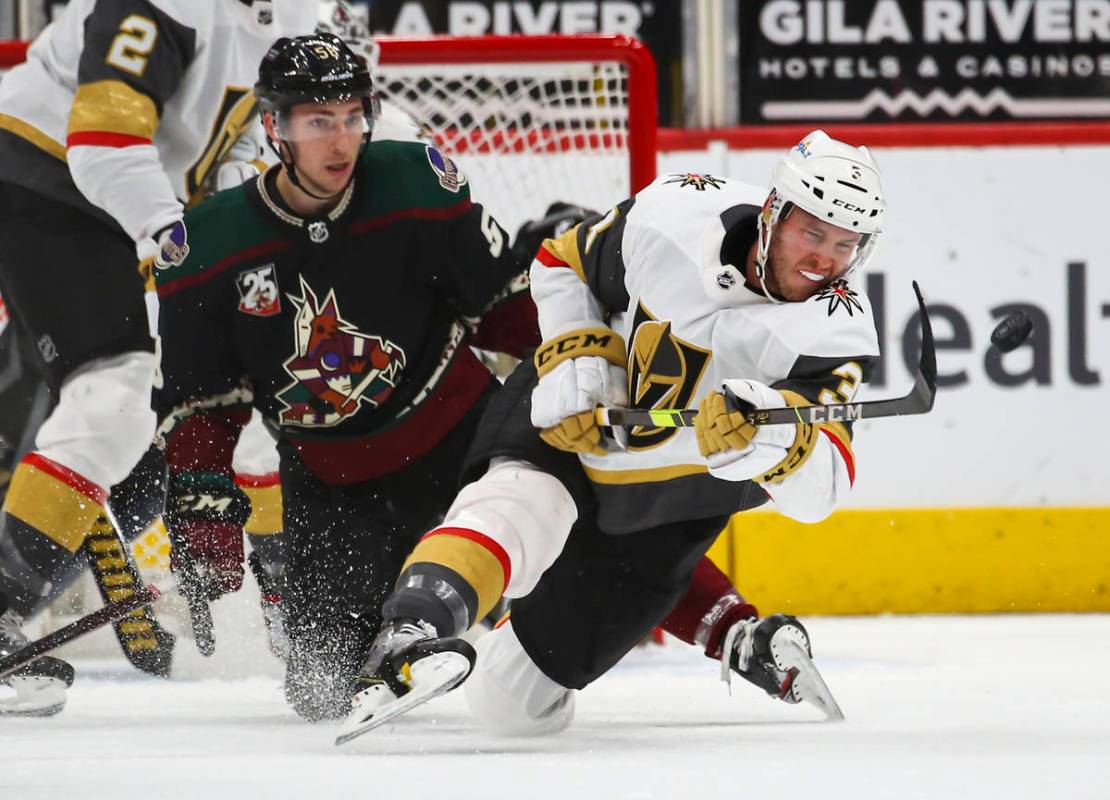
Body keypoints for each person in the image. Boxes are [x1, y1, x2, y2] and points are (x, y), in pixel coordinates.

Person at [352, 130, 885, 735]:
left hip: (673, 495)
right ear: (773, 213)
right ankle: (408, 634)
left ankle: (734, 631)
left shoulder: (835, 333)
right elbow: (560, 261)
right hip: (582, 420)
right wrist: (581, 356)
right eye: (811, 233)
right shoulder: (675, 212)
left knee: (510, 709)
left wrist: (767, 440)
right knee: (519, 505)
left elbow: (826, 488)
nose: (824, 261)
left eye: (846, 245)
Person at [152, 32, 589, 722]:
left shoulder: (415, 183)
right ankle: (355, 609)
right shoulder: (207, 245)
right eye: (318, 121)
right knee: (321, 693)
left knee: (556, 581)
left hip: (460, 446)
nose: (341, 141)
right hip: (333, 481)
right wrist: (203, 503)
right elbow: (201, 400)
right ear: (274, 127)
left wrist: (575, 367)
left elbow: (501, 309)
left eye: (353, 116)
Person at [0, 0, 321, 715]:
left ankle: (300, 621)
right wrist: (176, 242)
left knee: (276, 390)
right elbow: (103, 137)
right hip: (46, 173)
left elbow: (264, 147)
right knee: (112, 399)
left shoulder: (308, 10)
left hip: (145, 195)